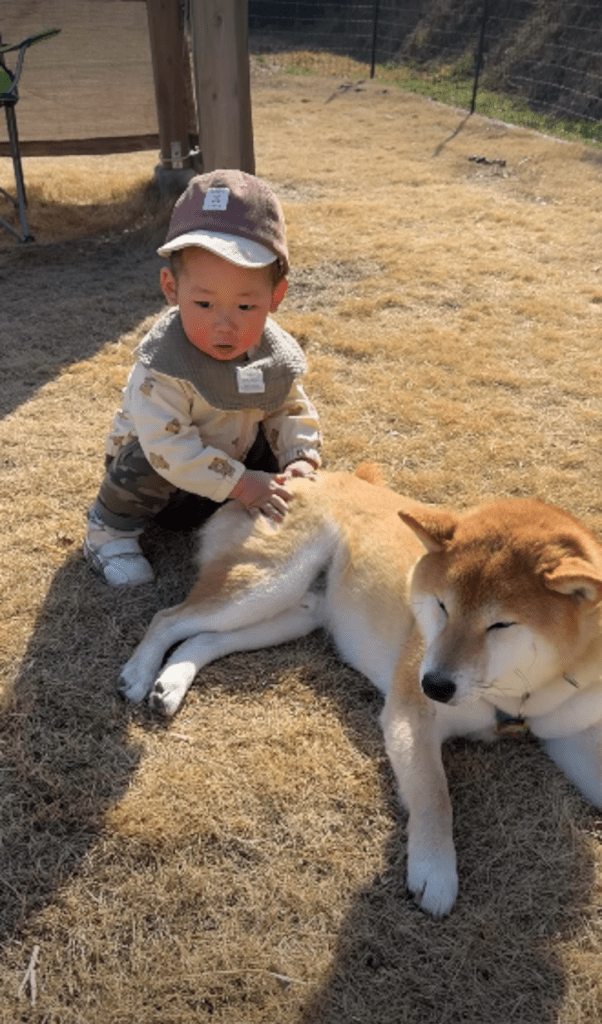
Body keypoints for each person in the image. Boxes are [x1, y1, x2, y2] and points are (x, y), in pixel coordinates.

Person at [83, 169, 322, 586]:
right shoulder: (163, 363)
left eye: (246, 307)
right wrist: (244, 484)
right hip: (166, 488)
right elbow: (169, 448)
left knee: (280, 443)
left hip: (233, 468)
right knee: (147, 458)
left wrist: (299, 458)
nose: (224, 326)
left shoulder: (271, 353)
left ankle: (265, 510)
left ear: (276, 297)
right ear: (171, 289)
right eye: (204, 303)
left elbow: (290, 406)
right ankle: (109, 531)